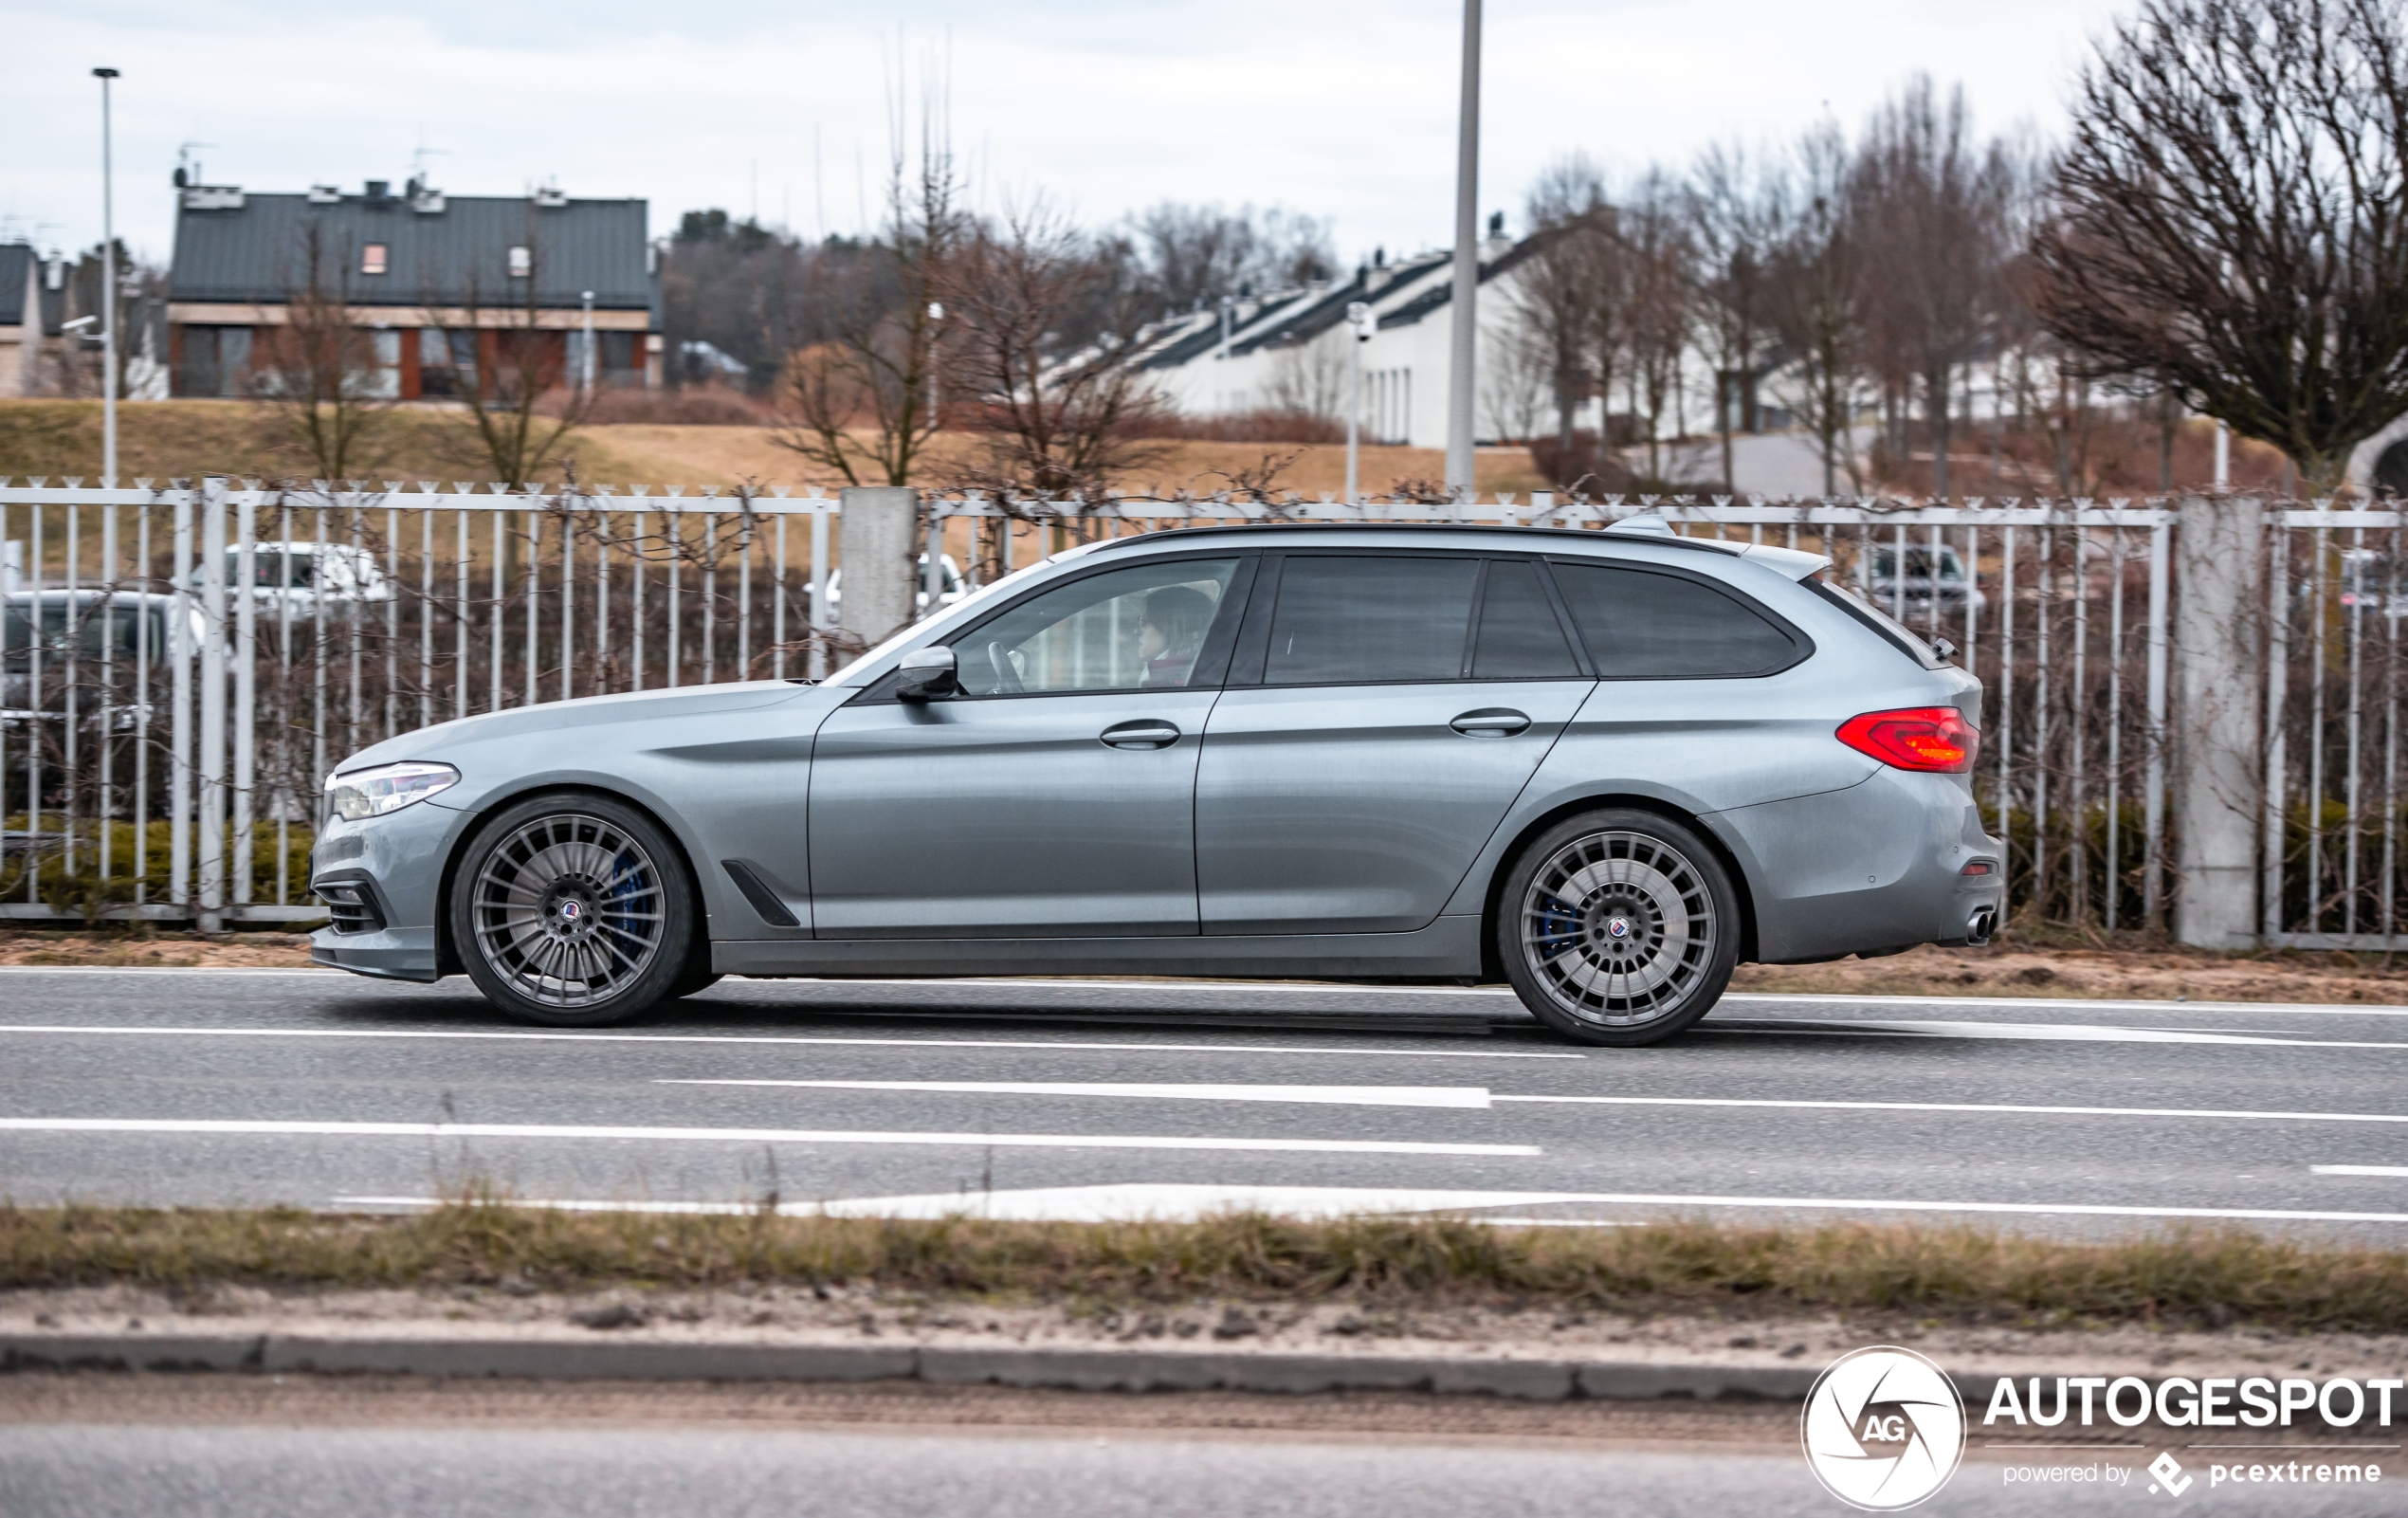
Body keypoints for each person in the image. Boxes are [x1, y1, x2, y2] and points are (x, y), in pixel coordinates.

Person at [1136, 585, 1215, 686]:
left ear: (1169, 626)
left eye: (1144, 623)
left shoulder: (1169, 680)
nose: (1137, 631)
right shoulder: (1202, 670)